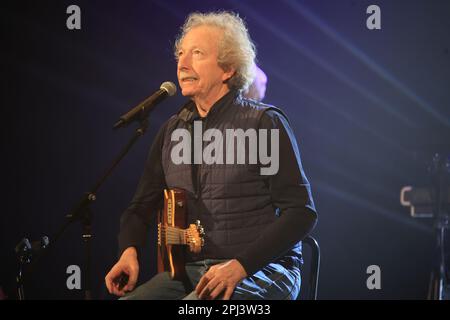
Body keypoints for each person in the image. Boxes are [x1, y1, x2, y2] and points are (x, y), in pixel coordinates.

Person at [105, 11, 317, 300]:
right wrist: (128, 251)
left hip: (265, 270)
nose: (182, 62)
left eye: (197, 53)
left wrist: (240, 266)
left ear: (228, 68)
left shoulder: (263, 123)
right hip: (192, 272)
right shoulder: (171, 131)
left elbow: (301, 213)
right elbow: (139, 208)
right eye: (181, 53)